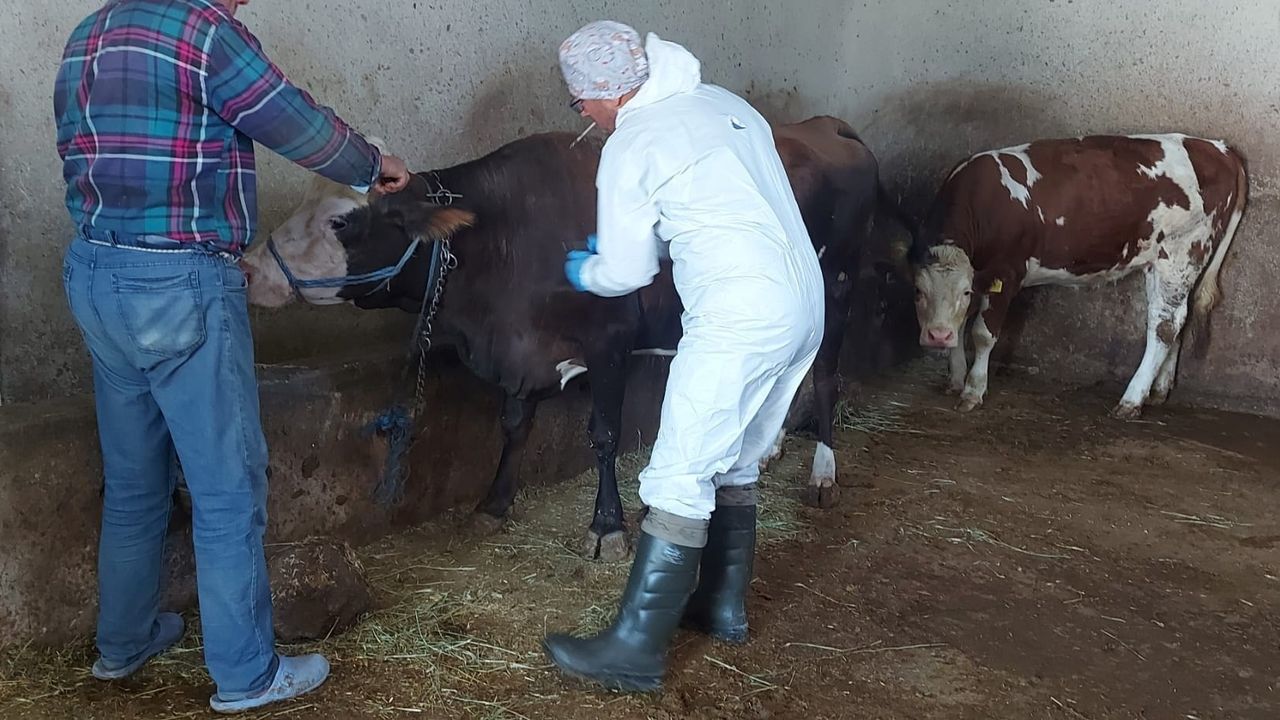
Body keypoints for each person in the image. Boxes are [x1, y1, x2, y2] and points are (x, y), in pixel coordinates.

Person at [53, 0, 410, 713]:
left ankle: (122, 643)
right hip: (175, 286)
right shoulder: (204, 33)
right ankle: (248, 674)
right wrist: (375, 165)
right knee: (227, 490)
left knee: (134, 481)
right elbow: (294, 122)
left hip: (95, 273)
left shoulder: (91, 29)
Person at [545, 21, 825, 692]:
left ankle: (634, 652)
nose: (582, 113)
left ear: (610, 91)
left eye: (581, 100)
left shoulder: (633, 141)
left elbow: (628, 270)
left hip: (740, 312)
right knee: (734, 457)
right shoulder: (722, 102)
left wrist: (587, 271)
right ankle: (720, 607)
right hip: (803, 303)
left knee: (677, 473)